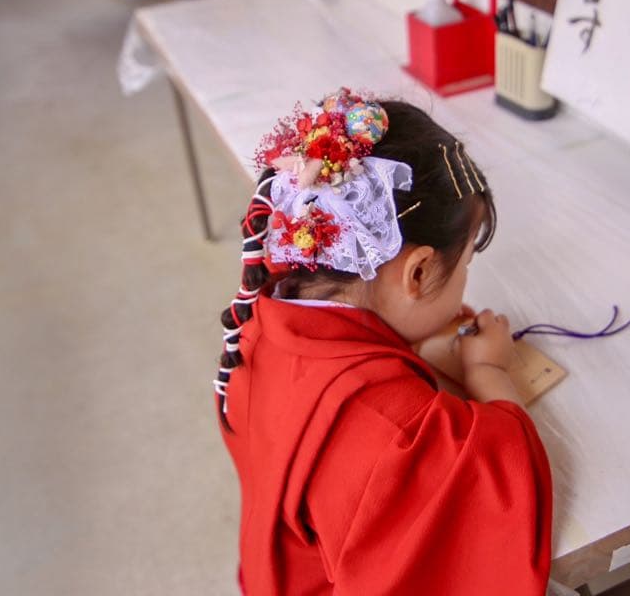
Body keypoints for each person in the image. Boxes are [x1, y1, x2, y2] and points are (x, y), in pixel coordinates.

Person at [215, 88, 552, 595]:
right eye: (464, 267)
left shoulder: (265, 313)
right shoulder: (395, 428)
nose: (464, 284)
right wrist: (489, 371)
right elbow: (501, 473)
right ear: (416, 273)